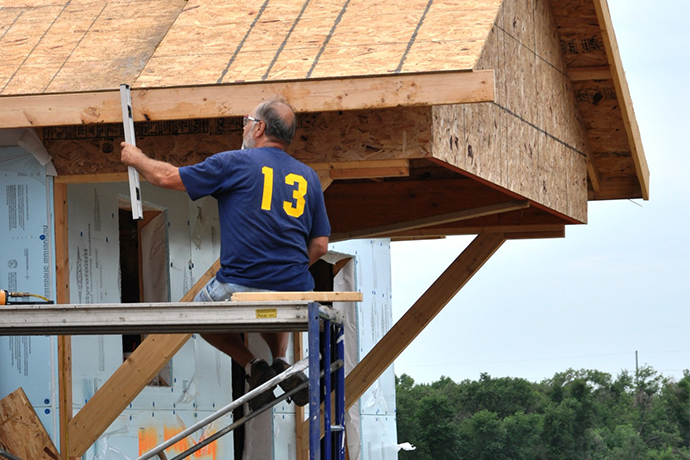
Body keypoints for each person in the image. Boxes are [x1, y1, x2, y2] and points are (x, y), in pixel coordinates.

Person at [120, 98, 330, 410]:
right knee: (279, 294)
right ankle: (280, 362)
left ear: (259, 128)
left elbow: (166, 178)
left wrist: (136, 158)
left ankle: (253, 365)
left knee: (196, 316)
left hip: (240, 284)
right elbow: (321, 246)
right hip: (294, 290)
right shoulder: (309, 177)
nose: (244, 127)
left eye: (247, 121)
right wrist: (289, 268)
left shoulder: (234, 163)